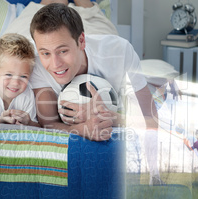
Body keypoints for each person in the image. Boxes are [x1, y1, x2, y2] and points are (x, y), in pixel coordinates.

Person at [28, 3, 164, 185]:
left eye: (63, 51)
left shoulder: (119, 52)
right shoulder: (37, 64)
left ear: (81, 41)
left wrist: (109, 116)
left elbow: (151, 119)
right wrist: (82, 128)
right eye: (45, 53)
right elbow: (48, 123)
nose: (55, 64)